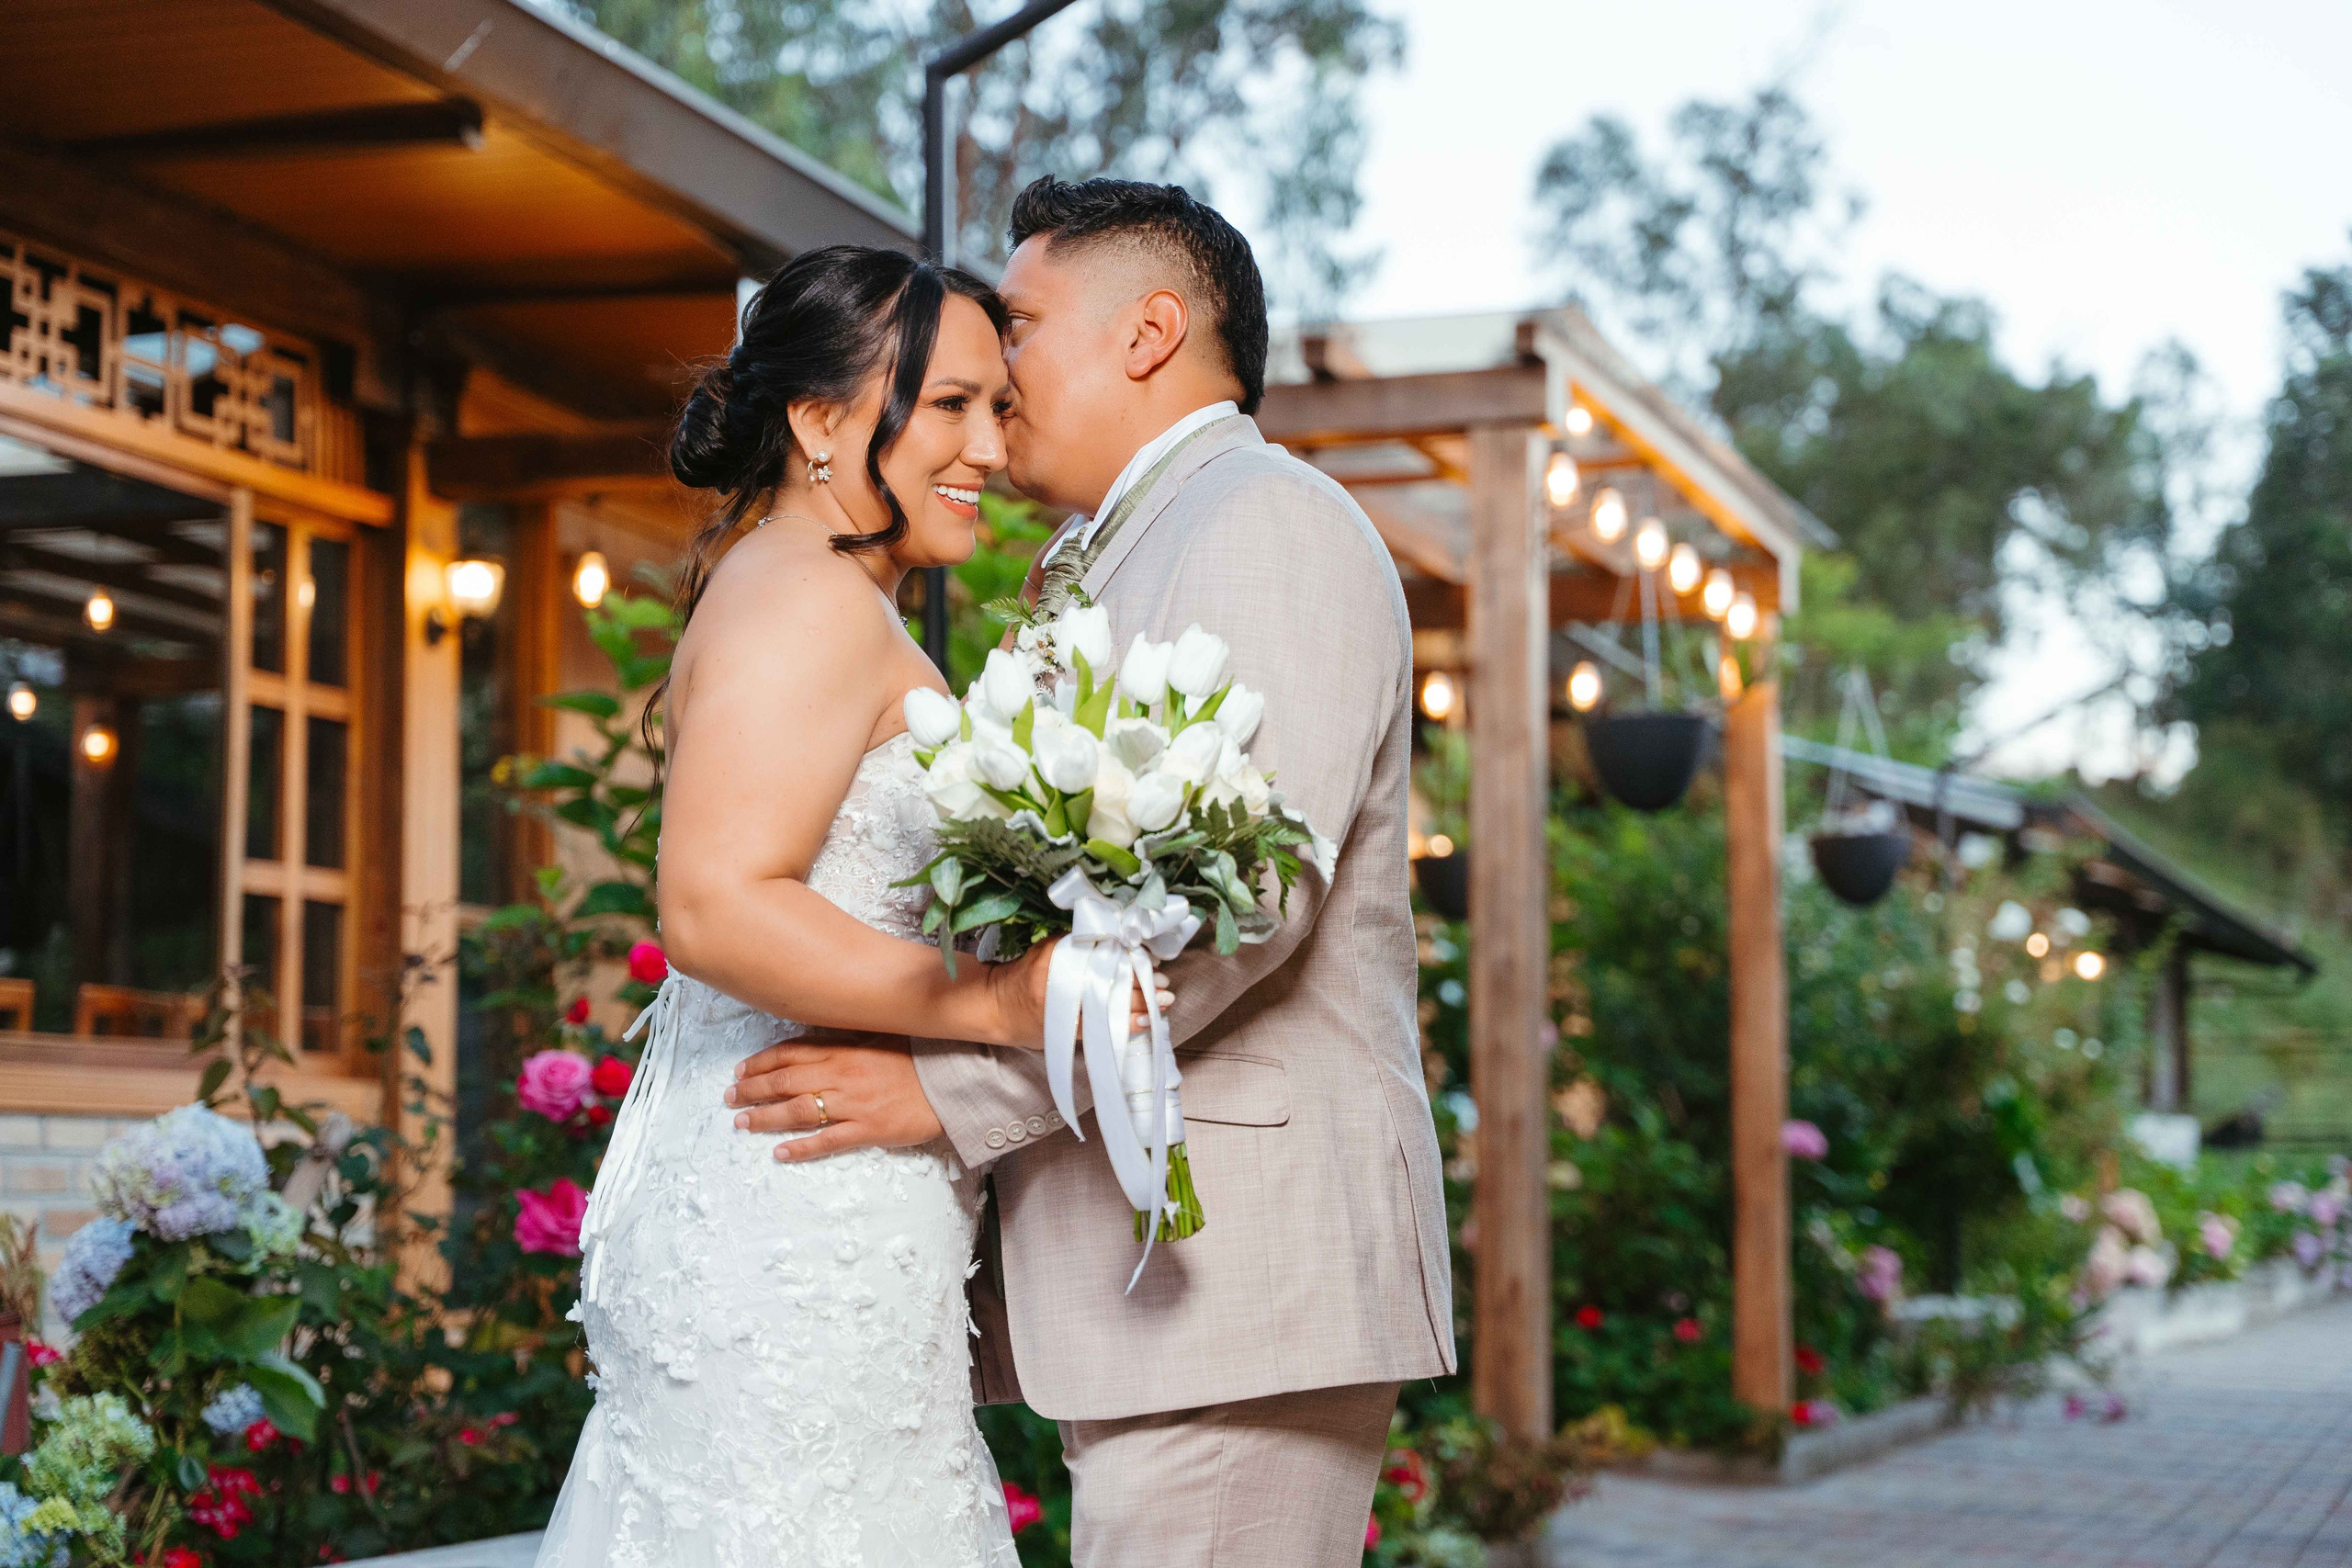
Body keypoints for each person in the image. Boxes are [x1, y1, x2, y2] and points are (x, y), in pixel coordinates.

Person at [729, 177, 1455, 1567]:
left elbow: (1238, 906)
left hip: (1243, 1276)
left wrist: (944, 1093)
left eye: (1021, 324)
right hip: (1153, 1283)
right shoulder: (1103, 552)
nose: (997, 369)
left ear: (1151, 332)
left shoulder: (1264, 522)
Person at [533, 244, 1145, 1566]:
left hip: (823, 1204)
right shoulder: (806, 599)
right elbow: (711, 905)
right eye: (952, 407)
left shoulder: (816, 591)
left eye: (1001, 403)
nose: (993, 441)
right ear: (819, 421)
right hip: (789, 1222)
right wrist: (993, 1002)